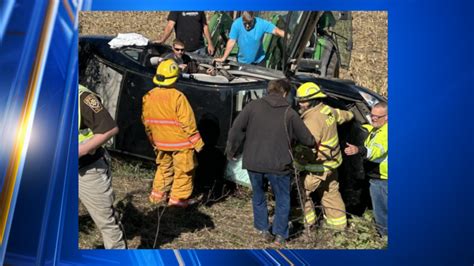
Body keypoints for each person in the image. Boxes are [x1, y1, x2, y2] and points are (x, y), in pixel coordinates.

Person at [226, 79, 315, 246]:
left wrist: (232, 150)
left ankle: (263, 228)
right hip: (279, 165)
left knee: (258, 195)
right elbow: (308, 139)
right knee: (282, 198)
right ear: (285, 93)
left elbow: (236, 129)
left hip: (254, 162)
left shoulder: (253, 106)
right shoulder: (290, 112)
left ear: (269, 91)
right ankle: (280, 234)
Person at [142, 59, 204, 207]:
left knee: (164, 169)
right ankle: (177, 203)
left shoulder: (148, 96)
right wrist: (198, 143)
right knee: (184, 172)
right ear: (175, 77)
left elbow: (147, 123)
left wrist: (153, 141)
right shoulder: (177, 97)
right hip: (181, 144)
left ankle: (157, 197)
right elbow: (188, 123)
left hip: (161, 143)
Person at [294, 82, 354, 230]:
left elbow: (308, 149)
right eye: (299, 100)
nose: (301, 104)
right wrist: (352, 114)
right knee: (331, 194)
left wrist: (295, 162)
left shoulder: (311, 122)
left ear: (314, 100)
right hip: (332, 165)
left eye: (304, 101)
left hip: (317, 168)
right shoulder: (327, 110)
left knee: (300, 192)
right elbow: (344, 116)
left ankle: (307, 224)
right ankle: (339, 227)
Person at [79, 84, 126, 249]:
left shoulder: (82, 97)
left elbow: (110, 128)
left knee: (106, 221)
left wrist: (80, 150)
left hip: (86, 169)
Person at [344, 102, 388, 236]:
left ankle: (385, 237)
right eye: (372, 115)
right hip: (377, 178)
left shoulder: (387, 133)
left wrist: (359, 149)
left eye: (377, 117)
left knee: (383, 213)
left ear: (387, 117)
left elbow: (377, 150)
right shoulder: (377, 128)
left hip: (383, 180)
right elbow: (371, 130)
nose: (373, 118)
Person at [215, 11, 285, 65]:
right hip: (242, 62)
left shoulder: (261, 23)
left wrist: (287, 36)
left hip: (259, 61)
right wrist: (224, 58)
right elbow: (231, 41)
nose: (247, 26)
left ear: (253, 18)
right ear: (242, 19)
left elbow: (276, 31)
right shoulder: (236, 24)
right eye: (245, 23)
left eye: (250, 23)